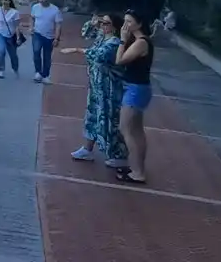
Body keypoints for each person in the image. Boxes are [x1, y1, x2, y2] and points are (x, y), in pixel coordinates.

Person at [59, 14, 128, 168]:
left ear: (115, 26)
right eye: (102, 22)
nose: (103, 25)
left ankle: (119, 154)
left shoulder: (114, 43)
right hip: (97, 86)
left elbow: (99, 56)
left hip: (109, 88)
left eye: (106, 23)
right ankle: (88, 149)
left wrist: (77, 50)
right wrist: (92, 22)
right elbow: (86, 33)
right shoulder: (102, 37)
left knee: (110, 121)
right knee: (93, 117)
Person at [114, 10, 155, 184]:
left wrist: (123, 39)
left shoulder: (141, 43)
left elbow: (120, 60)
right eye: (124, 22)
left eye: (129, 22)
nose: (125, 26)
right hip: (138, 87)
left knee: (126, 129)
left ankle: (138, 172)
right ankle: (137, 168)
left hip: (136, 89)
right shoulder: (141, 41)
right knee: (136, 130)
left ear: (139, 24)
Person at [28, 0, 63, 83]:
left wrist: (56, 38)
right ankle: (38, 72)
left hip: (49, 36)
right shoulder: (35, 7)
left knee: (47, 56)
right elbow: (32, 18)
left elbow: (58, 25)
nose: (41, 0)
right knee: (36, 51)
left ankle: (45, 75)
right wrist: (31, 27)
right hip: (37, 33)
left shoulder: (55, 10)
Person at [0, 0, 23, 79]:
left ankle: (15, 68)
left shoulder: (14, 12)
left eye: (6, 0)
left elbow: (17, 26)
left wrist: (17, 38)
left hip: (11, 35)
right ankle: (1, 71)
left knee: (13, 55)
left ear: (9, 1)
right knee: (1, 51)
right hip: (0, 34)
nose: (4, 1)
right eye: (2, 0)